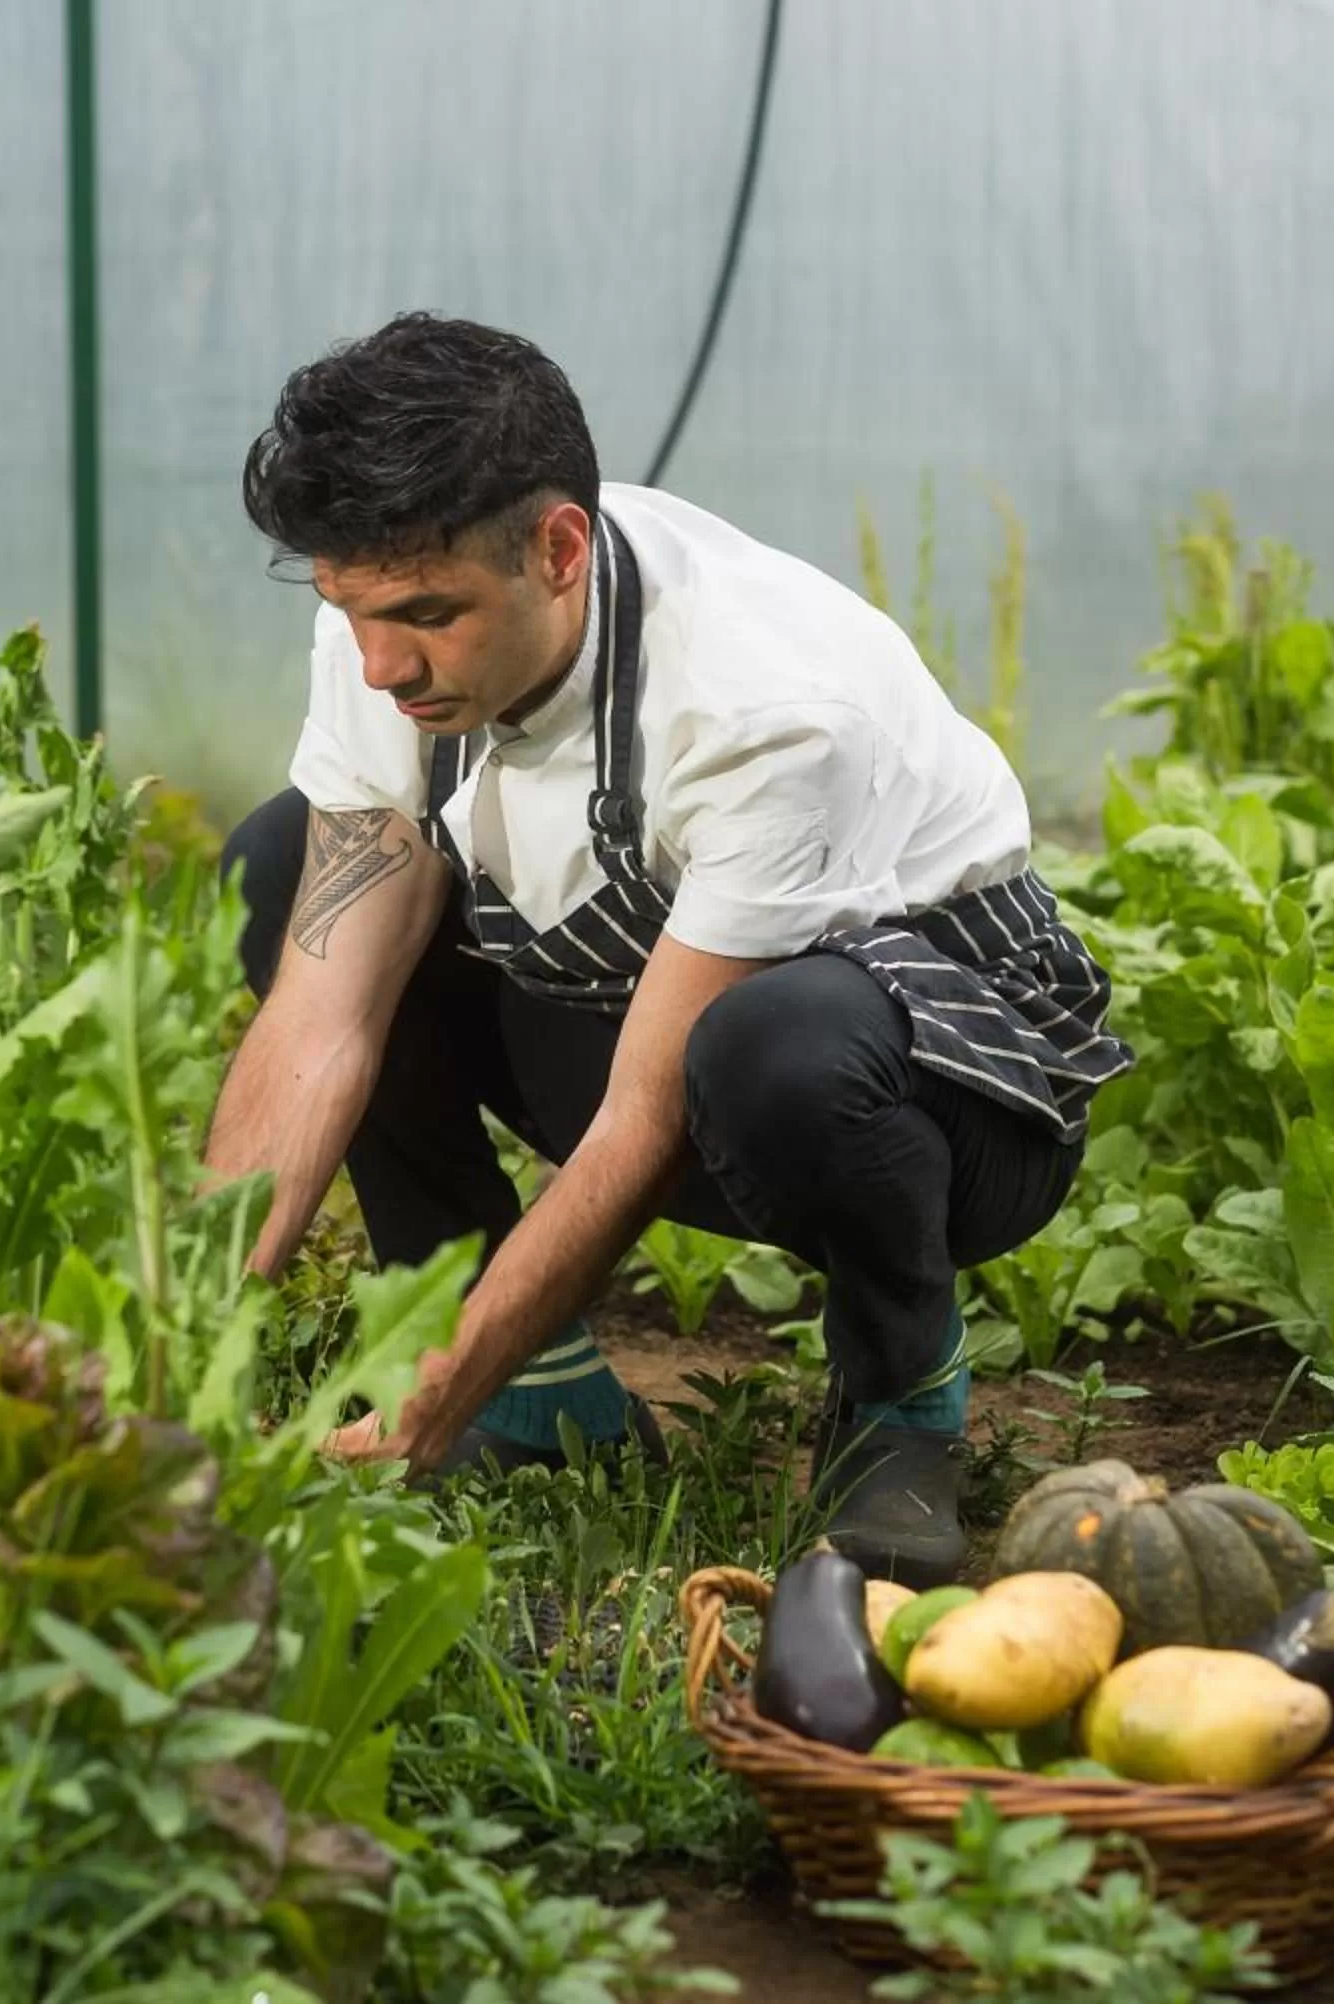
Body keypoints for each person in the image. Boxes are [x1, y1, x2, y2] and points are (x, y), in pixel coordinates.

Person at [202, 312, 1130, 1586]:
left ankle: (899, 1396)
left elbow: (648, 1116)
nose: (379, 665)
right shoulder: (386, 615)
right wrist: (179, 1357)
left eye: (425, 615)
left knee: (774, 1051)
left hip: (945, 1086)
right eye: (349, 611)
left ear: (560, 548)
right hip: (644, 996)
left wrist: (441, 1383)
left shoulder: (764, 701)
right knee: (284, 867)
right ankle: (545, 1398)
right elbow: (324, 1020)